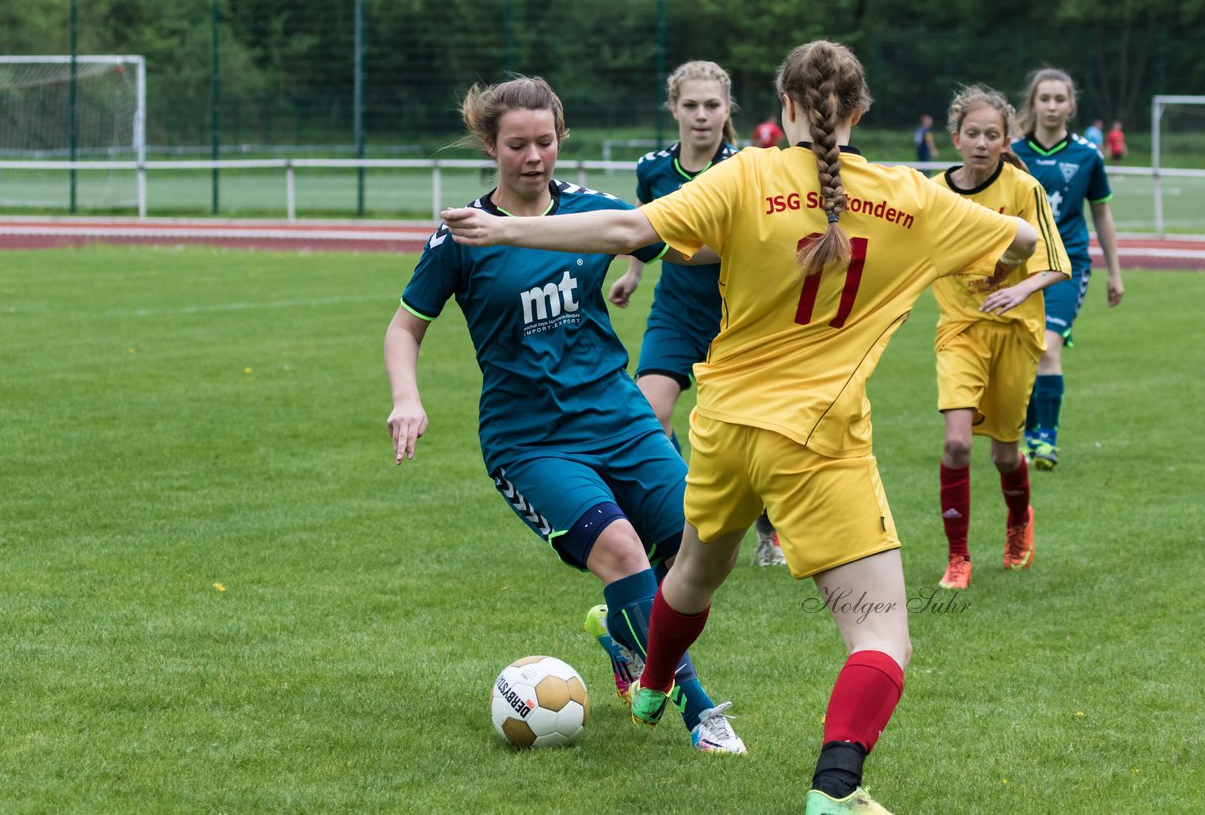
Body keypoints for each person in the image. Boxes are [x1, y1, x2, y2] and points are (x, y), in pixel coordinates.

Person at [442, 41, 1037, 815]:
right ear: (859, 112)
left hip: (724, 427)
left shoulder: (747, 172)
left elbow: (632, 231)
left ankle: (653, 685)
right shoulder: (911, 197)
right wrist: (971, 253)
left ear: (783, 107)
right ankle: (836, 791)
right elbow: (1020, 243)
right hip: (815, 442)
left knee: (691, 573)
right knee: (881, 637)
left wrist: (507, 231)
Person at [383, 76, 745, 754]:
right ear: (490, 145)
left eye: (544, 142)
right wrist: (408, 397)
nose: (533, 157)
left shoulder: (594, 213)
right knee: (621, 551)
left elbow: (694, 250)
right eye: (516, 144)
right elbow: (405, 329)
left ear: (560, 139)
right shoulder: (461, 235)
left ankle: (620, 634)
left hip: (622, 418)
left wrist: (779, 238)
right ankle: (699, 710)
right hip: (532, 442)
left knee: (700, 550)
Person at [606, 61, 783, 569]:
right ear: (674, 109)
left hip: (740, 318)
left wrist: (664, 247)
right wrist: (633, 272)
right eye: (691, 105)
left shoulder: (748, 168)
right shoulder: (653, 168)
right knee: (648, 415)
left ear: (727, 109)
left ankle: (767, 527)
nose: (701, 115)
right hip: (677, 313)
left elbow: (740, 242)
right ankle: (673, 527)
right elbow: (645, 226)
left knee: (751, 437)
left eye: (711, 106)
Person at [930, 85, 1072, 590]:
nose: (982, 143)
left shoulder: (1022, 189)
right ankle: (959, 558)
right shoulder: (935, 193)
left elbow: (1057, 264)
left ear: (1007, 138)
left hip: (1015, 332)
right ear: (955, 138)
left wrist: (1019, 290)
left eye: (993, 134)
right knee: (957, 444)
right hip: (961, 330)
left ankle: (1018, 523)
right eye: (973, 133)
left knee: (1006, 454)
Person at [1012, 68, 1124, 471]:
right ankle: (1025, 436)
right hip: (1020, 266)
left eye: (1060, 99)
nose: (1053, 106)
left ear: (1071, 105)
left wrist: (1115, 272)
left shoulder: (1087, 156)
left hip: (1067, 264)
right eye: (1045, 98)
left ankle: (1047, 440)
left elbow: (1103, 216)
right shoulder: (1012, 155)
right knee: (1024, 350)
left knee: (1047, 346)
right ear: (1034, 103)